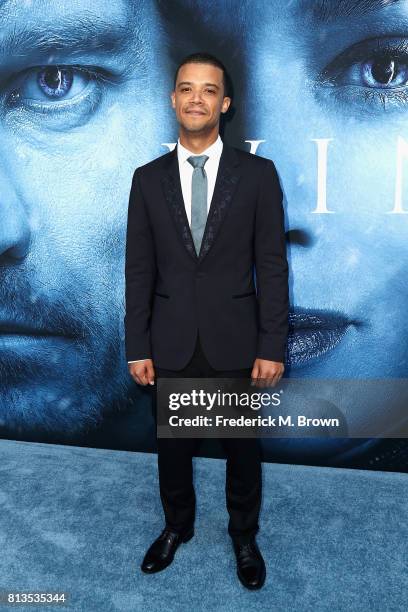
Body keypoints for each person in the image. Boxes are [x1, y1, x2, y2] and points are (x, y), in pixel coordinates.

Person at [124, 52, 289, 590]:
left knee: (243, 451)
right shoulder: (146, 180)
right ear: (173, 99)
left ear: (225, 102)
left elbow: (271, 265)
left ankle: (244, 535)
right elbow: (138, 269)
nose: (197, 98)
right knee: (172, 450)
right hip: (170, 341)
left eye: (209, 90)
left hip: (236, 341)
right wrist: (136, 344)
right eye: (187, 89)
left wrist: (272, 345)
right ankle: (177, 528)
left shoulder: (259, 176)